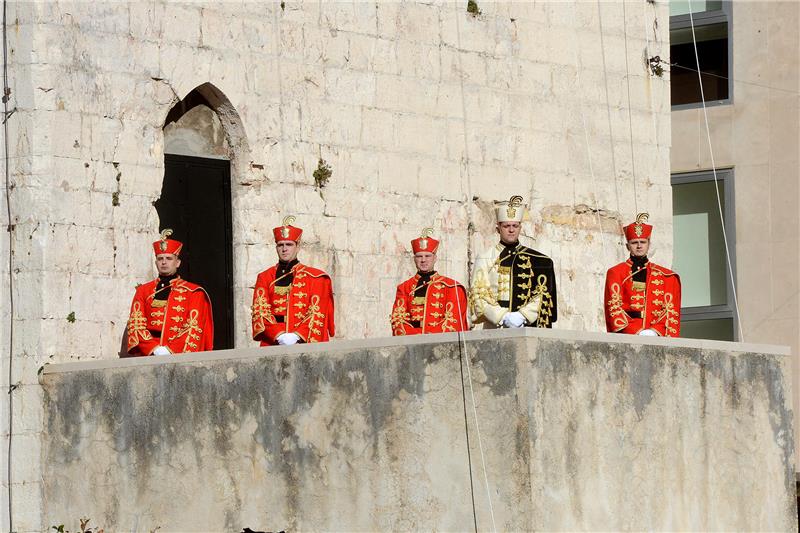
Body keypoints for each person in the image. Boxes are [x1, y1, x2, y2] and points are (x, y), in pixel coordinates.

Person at [470, 195, 557, 329]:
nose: (511, 230)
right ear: (498, 228)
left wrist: (523, 316)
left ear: (520, 228)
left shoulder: (537, 260)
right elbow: (479, 293)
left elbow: (543, 293)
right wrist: (502, 317)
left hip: (525, 326)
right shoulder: (485, 257)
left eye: (515, 226)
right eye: (506, 226)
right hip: (495, 326)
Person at [126, 229, 214, 356]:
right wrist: (154, 349)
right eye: (160, 258)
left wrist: (169, 350)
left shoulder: (194, 292)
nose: (164, 262)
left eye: (169, 258)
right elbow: (136, 324)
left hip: (179, 353)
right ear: (156, 262)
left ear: (177, 263)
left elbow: (194, 327)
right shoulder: (143, 291)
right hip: (149, 353)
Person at [252, 216, 335, 345]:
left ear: (298, 247)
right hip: (273, 342)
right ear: (276, 248)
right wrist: (279, 335)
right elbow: (260, 312)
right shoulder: (264, 277)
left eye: (289, 245)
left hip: (303, 342)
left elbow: (317, 312)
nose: (284, 249)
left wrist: (296, 336)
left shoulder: (316, 278)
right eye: (280, 245)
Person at [604, 213, 681, 337]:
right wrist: (635, 330)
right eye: (634, 243)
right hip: (629, 332)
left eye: (643, 242)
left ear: (648, 244)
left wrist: (655, 331)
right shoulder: (616, 272)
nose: (639, 246)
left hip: (656, 333)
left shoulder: (666, 276)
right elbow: (613, 307)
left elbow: (670, 310)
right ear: (627, 246)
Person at [390, 228, 468, 335]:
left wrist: (429, 337)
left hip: (440, 342)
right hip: (411, 343)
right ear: (414, 259)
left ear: (435, 258)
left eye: (427, 256)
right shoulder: (404, 288)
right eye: (419, 256)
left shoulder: (452, 287)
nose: (423, 260)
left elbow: (453, 323)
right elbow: (397, 321)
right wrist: (417, 337)